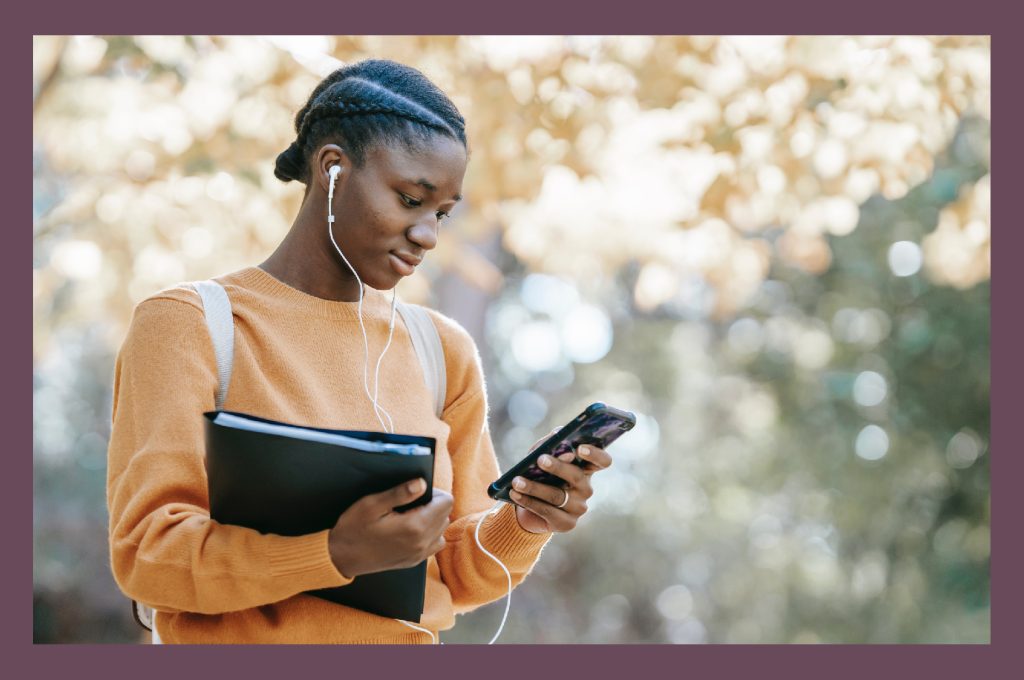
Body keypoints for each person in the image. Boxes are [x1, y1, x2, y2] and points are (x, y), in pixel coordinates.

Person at [106, 58, 613, 644]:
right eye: (409, 199)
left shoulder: (440, 350)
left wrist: (525, 521)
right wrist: (333, 552)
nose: (427, 234)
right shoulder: (192, 325)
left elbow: (456, 574)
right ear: (333, 169)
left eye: (442, 213)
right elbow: (148, 555)